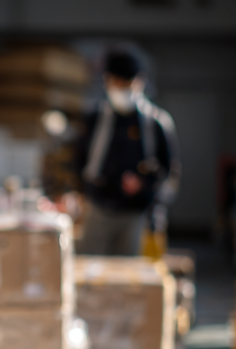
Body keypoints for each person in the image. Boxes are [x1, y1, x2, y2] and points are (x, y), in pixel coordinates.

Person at [75, 50, 179, 256]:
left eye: (127, 83)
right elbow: (79, 161)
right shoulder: (95, 119)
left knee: (130, 274)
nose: (122, 89)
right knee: (91, 270)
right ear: (106, 81)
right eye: (117, 82)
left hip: (136, 215)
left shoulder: (155, 123)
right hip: (98, 209)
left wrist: (144, 184)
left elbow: (169, 171)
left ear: (139, 82)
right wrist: (79, 192)